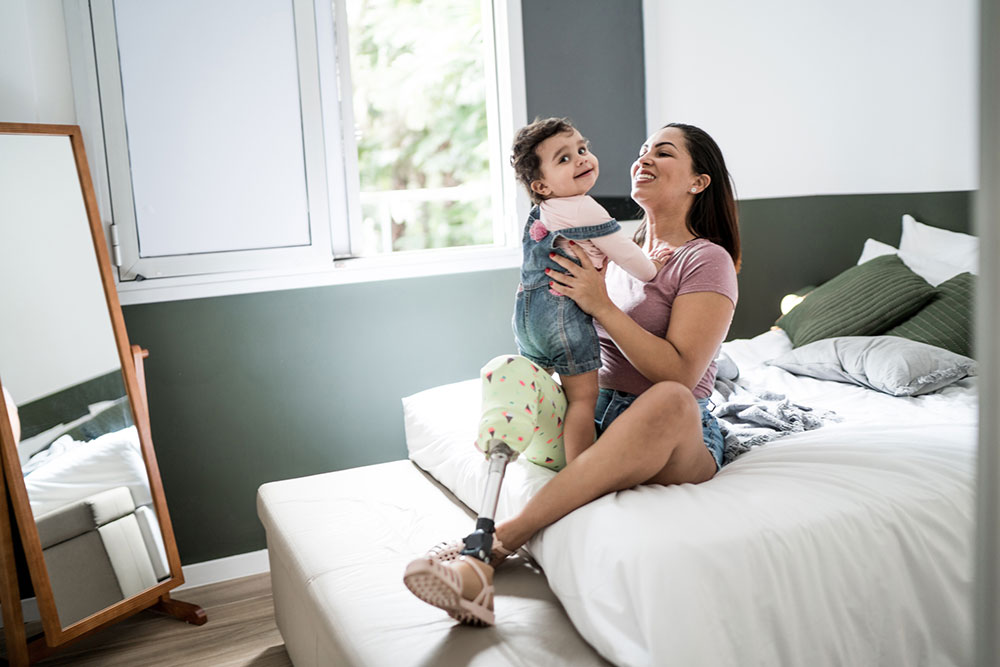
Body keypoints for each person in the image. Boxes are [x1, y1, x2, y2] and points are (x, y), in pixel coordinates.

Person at [403, 122, 741, 627]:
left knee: (670, 397)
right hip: (596, 412)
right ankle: (508, 496)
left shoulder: (706, 260)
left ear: (698, 182)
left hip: (671, 428)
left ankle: (489, 550)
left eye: (663, 153)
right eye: (642, 149)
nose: (643, 158)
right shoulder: (614, 246)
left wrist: (601, 304)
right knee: (507, 369)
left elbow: (680, 371)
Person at [504, 117, 669, 469]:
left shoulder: (542, 212)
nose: (581, 158)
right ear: (542, 185)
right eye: (564, 159)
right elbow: (627, 255)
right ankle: (580, 473)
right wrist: (653, 265)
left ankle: (516, 438)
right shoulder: (584, 207)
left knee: (538, 386)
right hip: (563, 317)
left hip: (526, 316)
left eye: (582, 148)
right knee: (581, 398)